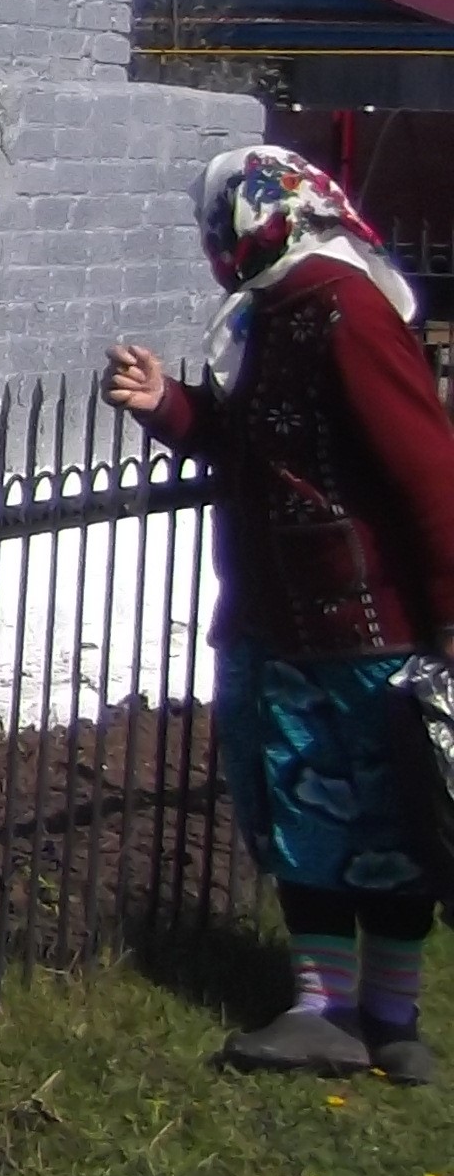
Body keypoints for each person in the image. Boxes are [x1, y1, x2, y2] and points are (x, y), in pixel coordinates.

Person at [105, 146, 454, 1079]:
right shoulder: (288, 309)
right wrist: (171, 406)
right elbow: (267, 453)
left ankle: (389, 1014)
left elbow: (426, 475)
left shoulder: (345, 314)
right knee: (308, 814)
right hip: (288, 623)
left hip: (358, 629)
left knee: (384, 817)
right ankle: (328, 1008)